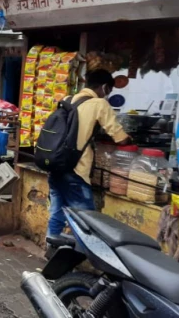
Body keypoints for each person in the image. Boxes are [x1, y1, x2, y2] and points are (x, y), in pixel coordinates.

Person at [47, 69, 130, 238]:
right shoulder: (99, 104)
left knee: (57, 213)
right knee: (85, 221)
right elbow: (120, 138)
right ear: (105, 87)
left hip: (56, 165)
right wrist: (130, 139)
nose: (107, 94)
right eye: (109, 90)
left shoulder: (67, 99)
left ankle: (51, 245)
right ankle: (81, 251)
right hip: (76, 170)